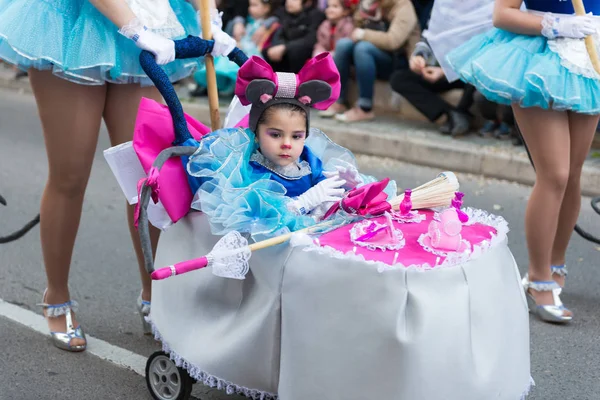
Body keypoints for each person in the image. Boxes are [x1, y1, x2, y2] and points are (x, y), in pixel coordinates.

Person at [0, 0, 236, 351]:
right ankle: (57, 296)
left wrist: (209, 17)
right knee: (70, 176)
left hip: (148, 19)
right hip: (73, 26)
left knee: (148, 178)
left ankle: (155, 294)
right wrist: (135, 28)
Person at [447, 0, 600, 324]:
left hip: (590, 55)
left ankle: (556, 265)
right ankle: (538, 278)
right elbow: (502, 14)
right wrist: (558, 25)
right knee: (555, 174)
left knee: (573, 175)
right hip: (537, 56)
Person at [187, 54, 394, 239]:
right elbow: (259, 220)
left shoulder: (307, 160)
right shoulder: (252, 170)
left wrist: (348, 188)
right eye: (275, 134)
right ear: (257, 134)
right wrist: (303, 202)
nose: (287, 143)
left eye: (297, 136)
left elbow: (324, 189)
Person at [319, 0, 421, 123]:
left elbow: (393, 41)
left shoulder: (403, 6)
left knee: (363, 48)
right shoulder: (369, 5)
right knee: (343, 45)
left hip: (396, 60)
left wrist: (364, 34)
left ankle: (364, 108)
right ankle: (339, 100)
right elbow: (355, 29)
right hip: (370, 54)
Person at [390, 35, 475, 137]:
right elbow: (426, 40)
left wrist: (444, 71)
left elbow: (476, 60)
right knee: (398, 78)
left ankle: (462, 111)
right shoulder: (440, 20)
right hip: (433, 71)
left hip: (460, 74)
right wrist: (418, 57)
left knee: (476, 76)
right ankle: (451, 113)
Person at [262, 0, 326, 73]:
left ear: (307, 2)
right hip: (284, 50)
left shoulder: (316, 15)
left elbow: (311, 40)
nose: (289, 2)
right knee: (267, 51)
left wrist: (286, 47)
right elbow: (280, 34)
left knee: (295, 52)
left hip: (300, 52)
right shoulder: (283, 13)